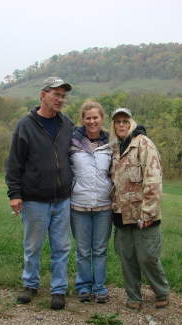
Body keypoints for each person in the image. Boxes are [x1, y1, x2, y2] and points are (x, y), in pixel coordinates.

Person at [5, 77, 74, 310]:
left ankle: (58, 290)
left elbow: (91, 137)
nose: (60, 99)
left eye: (63, 96)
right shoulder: (25, 125)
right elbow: (14, 162)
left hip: (62, 199)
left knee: (62, 247)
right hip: (34, 199)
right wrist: (14, 193)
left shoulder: (67, 124)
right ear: (43, 95)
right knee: (32, 246)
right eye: (56, 94)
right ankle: (30, 285)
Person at [109, 107, 170, 310]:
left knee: (147, 257)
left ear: (131, 122)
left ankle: (161, 292)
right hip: (121, 214)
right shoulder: (115, 148)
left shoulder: (143, 143)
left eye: (125, 121)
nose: (121, 125)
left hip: (144, 214)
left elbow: (153, 179)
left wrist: (149, 212)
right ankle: (133, 296)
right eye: (117, 122)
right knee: (126, 257)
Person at [69, 101, 113, 304]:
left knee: (100, 250)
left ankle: (100, 287)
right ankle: (84, 286)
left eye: (95, 117)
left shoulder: (112, 143)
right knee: (83, 250)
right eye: (88, 118)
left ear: (101, 118)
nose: (92, 121)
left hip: (104, 206)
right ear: (82, 120)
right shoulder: (72, 141)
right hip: (79, 205)